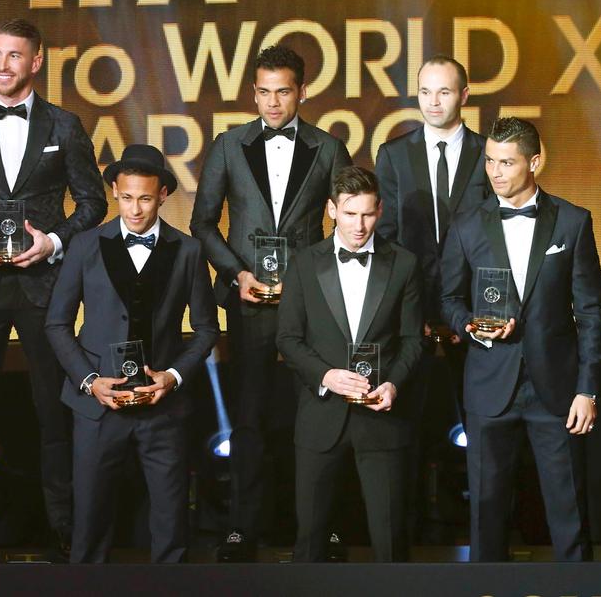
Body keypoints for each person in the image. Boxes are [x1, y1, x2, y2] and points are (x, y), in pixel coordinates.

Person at [0, 18, 106, 559]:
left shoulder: (65, 125)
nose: (2, 66)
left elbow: (94, 203)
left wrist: (53, 243)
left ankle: (62, 526)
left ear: (37, 62)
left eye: (14, 56)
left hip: (45, 287)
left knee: (54, 411)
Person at [190, 44, 352, 560]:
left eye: (283, 91)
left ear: (302, 91)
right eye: (264, 91)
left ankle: (324, 528)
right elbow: (202, 223)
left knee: (320, 412)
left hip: (314, 305)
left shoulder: (328, 148)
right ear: (253, 91)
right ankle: (242, 529)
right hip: (249, 300)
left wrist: (314, 277)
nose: (273, 102)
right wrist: (235, 274)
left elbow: (349, 226)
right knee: (250, 415)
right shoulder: (227, 145)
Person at [440, 116, 601, 561]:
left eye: (506, 163)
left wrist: (587, 389)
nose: (495, 172)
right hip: (489, 386)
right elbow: (449, 298)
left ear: (534, 162)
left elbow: (590, 312)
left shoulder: (572, 222)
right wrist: (469, 324)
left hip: (556, 392)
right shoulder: (467, 224)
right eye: (490, 161)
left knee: (568, 511)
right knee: (486, 512)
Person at [45, 144, 218, 563]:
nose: (135, 209)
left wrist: (172, 376)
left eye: (144, 198)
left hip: (164, 410)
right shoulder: (85, 245)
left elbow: (207, 330)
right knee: (89, 527)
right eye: (126, 197)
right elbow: (56, 324)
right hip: (98, 408)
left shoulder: (189, 251)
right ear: (115, 194)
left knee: (171, 528)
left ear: (162, 195)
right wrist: (90, 382)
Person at [276, 166, 423, 561]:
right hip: (320, 416)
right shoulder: (304, 264)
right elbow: (287, 339)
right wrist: (326, 375)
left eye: (368, 214)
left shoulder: (404, 264)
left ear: (380, 211)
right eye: (350, 213)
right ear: (331, 210)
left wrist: (393, 384)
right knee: (309, 541)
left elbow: (412, 340)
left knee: (391, 543)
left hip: (382, 418)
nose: (359, 225)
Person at [374, 55, 489, 539]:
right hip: (413, 316)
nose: (433, 101)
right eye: (425, 92)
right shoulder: (393, 155)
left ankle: (484, 533)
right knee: (407, 428)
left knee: (485, 428)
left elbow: (496, 241)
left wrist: (470, 313)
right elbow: (388, 238)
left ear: (464, 96)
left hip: (477, 313)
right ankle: (409, 534)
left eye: (444, 92)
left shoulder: (491, 153)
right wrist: (414, 312)